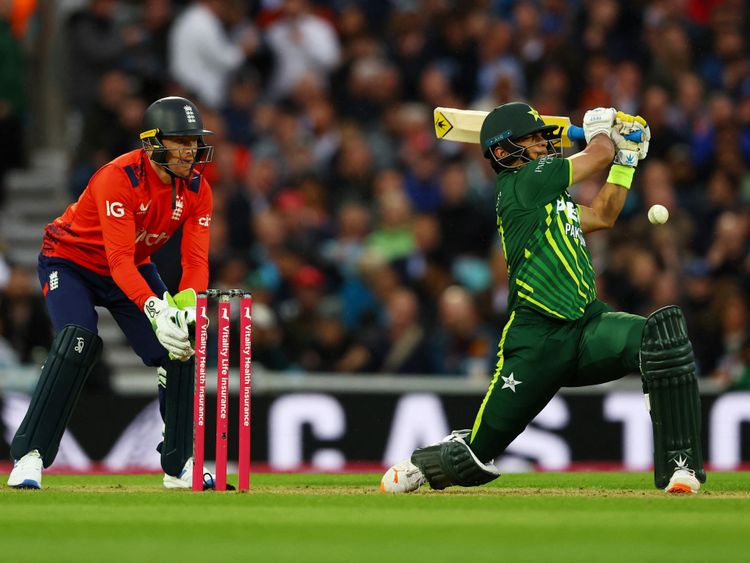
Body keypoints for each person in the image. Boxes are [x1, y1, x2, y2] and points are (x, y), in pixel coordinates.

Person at [381, 102, 706, 495]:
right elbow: (595, 153)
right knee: (473, 458)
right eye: (533, 139)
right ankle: (420, 465)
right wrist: (605, 133)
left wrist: (626, 159)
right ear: (504, 152)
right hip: (536, 341)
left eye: (542, 136)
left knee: (661, 339)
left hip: (586, 327)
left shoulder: (551, 196)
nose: (544, 144)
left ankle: (681, 469)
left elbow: (604, 215)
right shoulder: (522, 184)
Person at [7, 96, 217, 490]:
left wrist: (187, 306)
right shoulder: (118, 178)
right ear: (154, 143)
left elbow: (195, 263)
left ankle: (179, 463)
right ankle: (29, 456)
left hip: (133, 266)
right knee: (77, 340)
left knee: (180, 344)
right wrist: (155, 308)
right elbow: (117, 259)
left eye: (193, 140)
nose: (191, 150)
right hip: (70, 262)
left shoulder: (196, 188)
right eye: (181, 141)